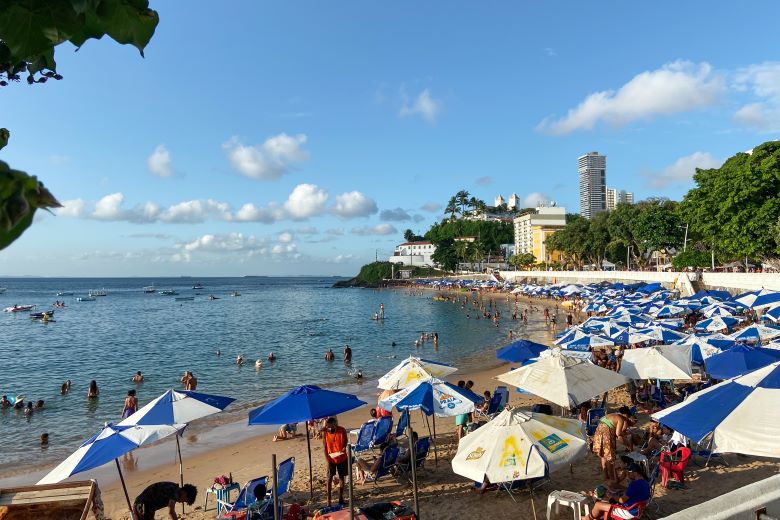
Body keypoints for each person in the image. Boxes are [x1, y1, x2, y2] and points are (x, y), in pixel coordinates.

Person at [582, 463, 650, 520]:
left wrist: (613, 496)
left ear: (635, 473)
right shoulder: (646, 482)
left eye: (629, 473)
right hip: (637, 510)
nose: (628, 475)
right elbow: (634, 494)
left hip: (629, 512)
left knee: (598, 505)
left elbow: (622, 500)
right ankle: (596, 516)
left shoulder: (635, 484)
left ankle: (586, 518)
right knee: (606, 503)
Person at [592, 406, 636, 481]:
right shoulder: (621, 419)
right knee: (610, 458)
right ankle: (612, 478)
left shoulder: (613, 415)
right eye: (627, 417)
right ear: (625, 415)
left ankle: (606, 475)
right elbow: (618, 434)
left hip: (599, 430)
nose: (627, 419)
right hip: (606, 432)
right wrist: (627, 445)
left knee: (603, 455)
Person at [132, 482, 197, 520]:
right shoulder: (175, 492)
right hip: (143, 506)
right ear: (185, 493)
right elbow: (171, 512)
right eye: (185, 500)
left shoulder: (174, 487)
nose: (182, 502)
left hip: (141, 504)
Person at [322, 417, 348, 507]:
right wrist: (327, 460)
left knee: (342, 477)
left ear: (336, 424)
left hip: (342, 457)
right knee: (329, 478)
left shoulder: (342, 430)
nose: (331, 429)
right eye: (329, 427)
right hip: (331, 458)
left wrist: (344, 447)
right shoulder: (325, 432)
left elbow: (346, 441)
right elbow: (325, 448)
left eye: (333, 426)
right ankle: (328, 501)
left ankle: (341, 498)